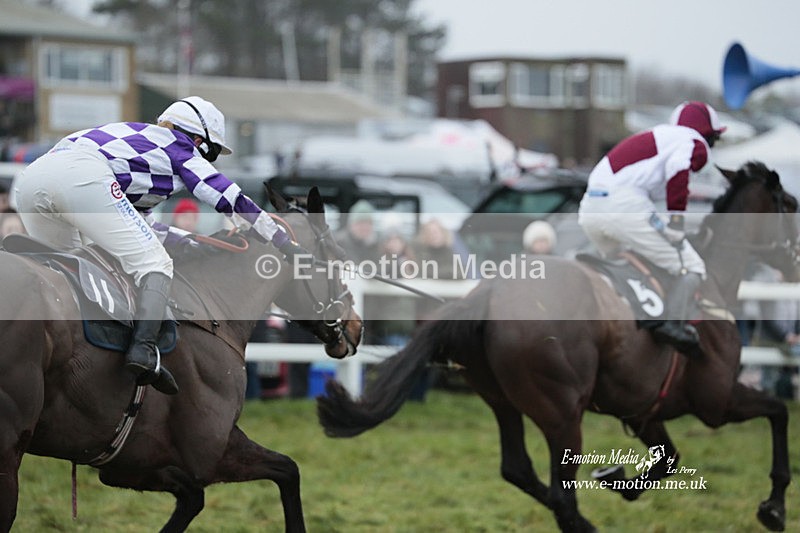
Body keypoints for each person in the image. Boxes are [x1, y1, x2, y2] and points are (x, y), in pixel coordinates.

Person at [14, 96, 307, 395]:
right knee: (156, 264)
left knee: (61, 280)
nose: (208, 161)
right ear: (198, 141)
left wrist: (192, 244)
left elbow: (145, 227)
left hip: (30, 181)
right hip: (82, 178)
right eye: (212, 154)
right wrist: (284, 241)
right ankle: (143, 353)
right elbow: (228, 197)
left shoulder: (139, 149)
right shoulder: (180, 147)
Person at [577, 101, 727, 357]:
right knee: (692, 266)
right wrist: (677, 224)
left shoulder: (659, 136)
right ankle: (671, 324)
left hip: (590, 207)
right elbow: (677, 173)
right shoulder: (691, 140)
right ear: (707, 134)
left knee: (629, 265)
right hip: (624, 206)